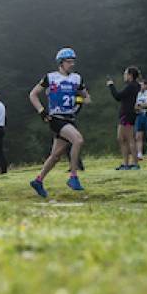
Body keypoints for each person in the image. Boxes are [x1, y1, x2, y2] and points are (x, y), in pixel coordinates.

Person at [28, 47, 90, 197]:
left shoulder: (77, 78)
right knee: (78, 140)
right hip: (57, 119)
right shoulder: (51, 78)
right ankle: (73, 177)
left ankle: (38, 180)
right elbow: (33, 94)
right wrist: (41, 111)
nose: (72, 64)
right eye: (69, 62)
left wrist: (78, 99)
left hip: (70, 119)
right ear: (61, 63)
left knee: (55, 156)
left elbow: (87, 98)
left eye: (73, 61)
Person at [107, 66, 141, 170]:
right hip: (127, 114)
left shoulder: (131, 86)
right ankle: (126, 164)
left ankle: (134, 164)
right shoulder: (135, 86)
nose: (124, 76)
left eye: (126, 74)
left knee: (129, 138)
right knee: (122, 139)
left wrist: (111, 85)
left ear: (130, 75)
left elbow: (118, 96)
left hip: (127, 114)